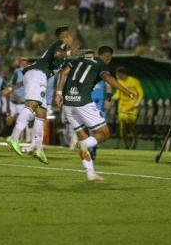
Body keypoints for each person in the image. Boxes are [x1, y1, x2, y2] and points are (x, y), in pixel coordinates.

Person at [55, 46, 136, 181]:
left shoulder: (77, 60)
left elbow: (63, 73)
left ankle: (90, 173)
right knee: (104, 133)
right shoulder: (101, 64)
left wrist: (58, 93)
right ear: (108, 56)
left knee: (83, 138)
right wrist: (126, 91)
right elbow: (107, 78)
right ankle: (86, 144)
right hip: (83, 102)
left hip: (68, 103)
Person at [6, 26, 76, 164]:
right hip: (37, 73)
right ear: (66, 36)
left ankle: (39, 149)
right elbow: (57, 54)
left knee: (41, 115)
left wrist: (59, 93)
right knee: (32, 105)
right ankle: (14, 137)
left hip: (40, 77)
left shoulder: (64, 55)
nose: (72, 38)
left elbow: (63, 73)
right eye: (70, 35)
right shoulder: (59, 44)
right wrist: (69, 53)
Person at [112, 67, 144, 149]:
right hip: (122, 107)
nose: (117, 75)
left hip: (132, 107)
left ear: (122, 73)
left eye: (118, 74)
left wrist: (137, 103)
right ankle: (126, 145)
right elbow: (118, 95)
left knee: (131, 126)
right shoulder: (119, 82)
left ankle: (134, 142)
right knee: (122, 128)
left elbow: (140, 93)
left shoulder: (134, 81)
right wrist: (111, 98)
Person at [7, 57, 29, 129]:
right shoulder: (17, 72)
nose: (24, 62)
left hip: (23, 102)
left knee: (22, 121)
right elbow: (10, 86)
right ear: (20, 63)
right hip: (13, 101)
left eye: (25, 60)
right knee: (9, 121)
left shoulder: (32, 72)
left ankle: (21, 138)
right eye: (22, 61)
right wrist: (15, 95)